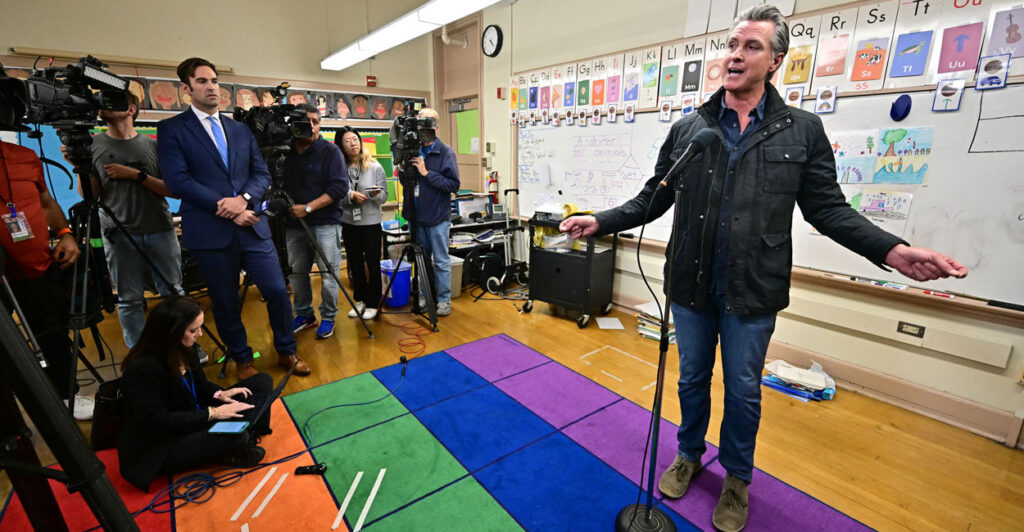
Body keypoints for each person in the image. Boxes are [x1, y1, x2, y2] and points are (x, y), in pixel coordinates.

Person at [558, 5, 968, 531]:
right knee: (691, 380)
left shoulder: (803, 131)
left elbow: (829, 210)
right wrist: (603, 220)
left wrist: (892, 250)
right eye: (731, 45)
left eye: (750, 46)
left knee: (745, 389)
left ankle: (737, 478)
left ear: (775, 61)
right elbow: (652, 199)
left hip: (754, 290)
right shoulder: (690, 128)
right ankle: (688, 454)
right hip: (691, 285)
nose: (735, 54)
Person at [158, 57, 310, 379]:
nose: (211, 86)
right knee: (225, 301)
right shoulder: (172, 130)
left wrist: (242, 201)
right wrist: (224, 206)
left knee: (277, 291)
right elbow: (177, 181)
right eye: (202, 81)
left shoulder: (240, 130)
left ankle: (286, 350)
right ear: (186, 89)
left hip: (253, 225)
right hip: (211, 231)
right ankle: (242, 359)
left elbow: (260, 173)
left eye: (214, 80)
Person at [118, 296, 272, 492]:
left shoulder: (185, 348)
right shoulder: (141, 369)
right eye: (193, 330)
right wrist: (212, 413)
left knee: (262, 382)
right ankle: (237, 441)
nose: (199, 334)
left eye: (199, 327)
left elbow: (201, 386)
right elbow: (159, 421)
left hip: (195, 420)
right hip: (164, 443)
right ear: (171, 332)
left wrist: (220, 394)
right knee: (236, 437)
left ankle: (243, 436)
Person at [79, 93, 184, 349]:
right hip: (118, 236)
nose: (103, 106)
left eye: (112, 102)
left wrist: (137, 176)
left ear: (131, 109)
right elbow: (91, 196)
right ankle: (139, 354)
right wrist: (78, 165)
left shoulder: (153, 146)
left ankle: (183, 344)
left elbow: (175, 190)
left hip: (160, 230)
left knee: (173, 294)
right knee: (129, 300)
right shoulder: (91, 147)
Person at [0, 139, 90, 419]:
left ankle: (65, 395)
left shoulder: (24, 156)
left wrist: (64, 233)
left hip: (38, 266)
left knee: (53, 333)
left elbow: (46, 202)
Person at [282, 104, 348, 339]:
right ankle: (303, 314)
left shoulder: (330, 152)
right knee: (297, 273)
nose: (311, 126)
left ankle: (328, 317)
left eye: (316, 121)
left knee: (329, 273)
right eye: (305, 121)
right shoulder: (284, 150)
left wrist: (307, 208)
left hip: (325, 222)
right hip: (293, 225)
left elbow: (340, 187)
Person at [397, 108, 461, 316]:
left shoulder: (445, 152)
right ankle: (424, 297)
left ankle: (443, 300)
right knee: (421, 260)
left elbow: (453, 185)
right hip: (416, 217)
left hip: (437, 218)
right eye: (421, 122)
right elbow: (405, 183)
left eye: (429, 122)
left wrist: (426, 173)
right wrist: (403, 168)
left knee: (440, 261)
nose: (425, 126)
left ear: (437, 126)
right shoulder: (411, 150)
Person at [337, 126, 388, 319]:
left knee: (373, 263)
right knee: (355, 263)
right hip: (349, 222)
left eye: (356, 139)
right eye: (348, 141)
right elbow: (334, 195)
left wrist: (376, 195)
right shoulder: (339, 168)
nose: (353, 143)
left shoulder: (374, 167)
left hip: (371, 222)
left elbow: (384, 196)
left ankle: (373, 303)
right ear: (341, 146)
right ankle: (360, 300)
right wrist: (350, 196)